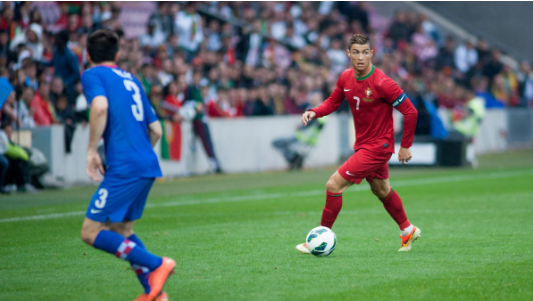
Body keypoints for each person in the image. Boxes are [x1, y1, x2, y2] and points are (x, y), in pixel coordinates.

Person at [296, 34, 420, 254]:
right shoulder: (345, 78)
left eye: (365, 52)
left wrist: (405, 145)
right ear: (349, 54)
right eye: (356, 52)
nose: (360, 57)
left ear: (371, 53)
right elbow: (333, 102)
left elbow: (410, 111)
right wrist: (314, 111)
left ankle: (319, 237)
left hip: (378, 147)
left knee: (333, 185)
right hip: (363, 145)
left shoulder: (383, 83)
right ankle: (407, 230)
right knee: (381, 190)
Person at [80, 29, 174, 301]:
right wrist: (139, 155)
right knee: (122, 231)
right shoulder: (131, 79)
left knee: (90, 232)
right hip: (147, 163)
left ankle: (158, 264)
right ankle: (154, 294)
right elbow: (156, 130)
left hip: (124, 167)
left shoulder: (92, 75)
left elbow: (99, 107)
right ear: (117, 55)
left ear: (87, 55)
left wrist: (90, 151)